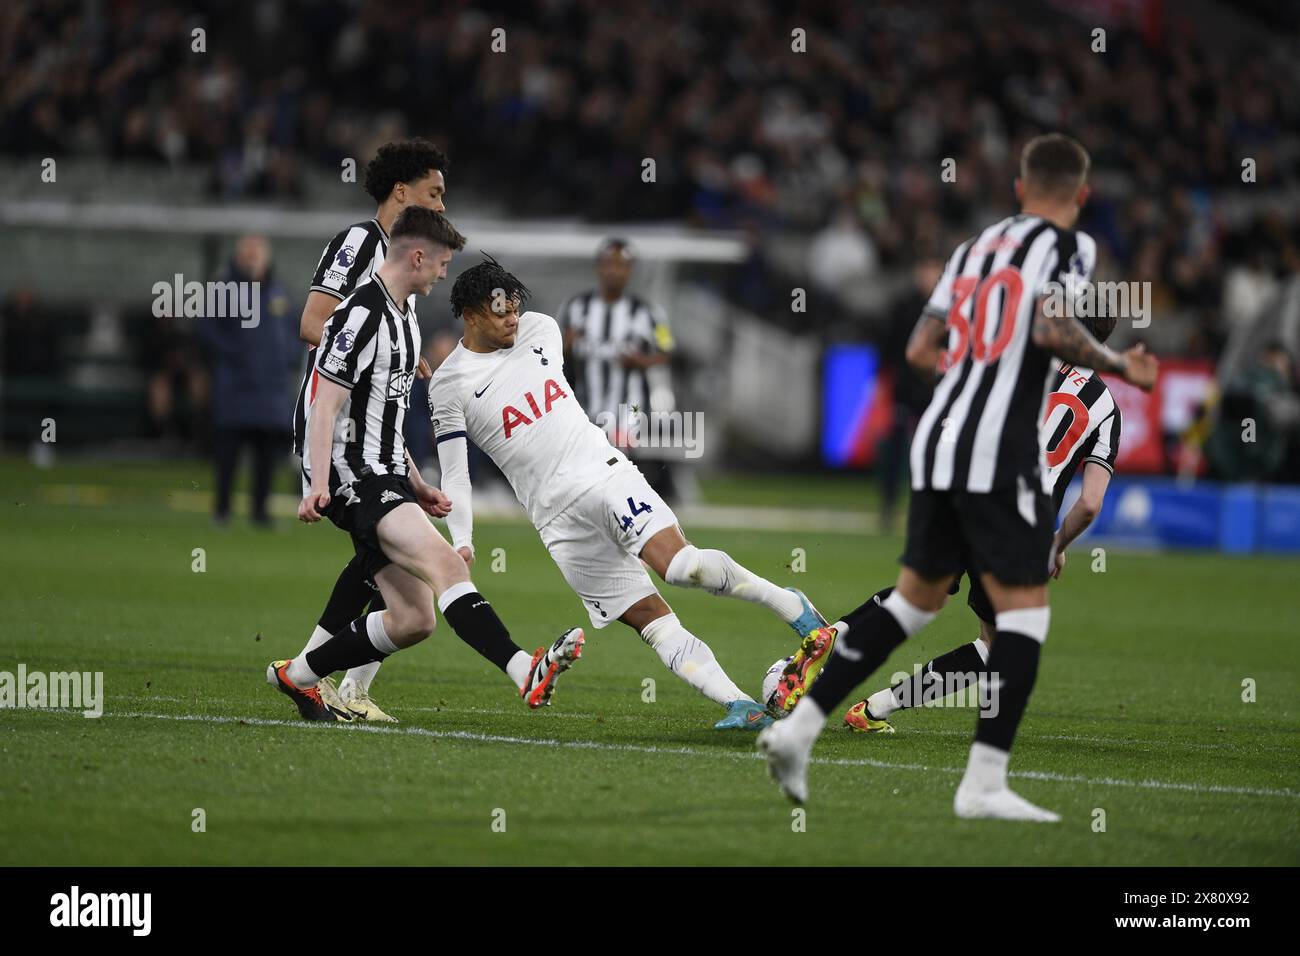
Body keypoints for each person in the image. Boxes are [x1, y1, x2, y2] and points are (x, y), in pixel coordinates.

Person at [758, 133, 1159, 819]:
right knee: (1022, 622)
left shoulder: (973, 251)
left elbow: (920, 347)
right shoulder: (1074, 252)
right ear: (1082, 196)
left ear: (1016, 188)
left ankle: (798, 731)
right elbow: (1059, 331)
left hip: (945, 443)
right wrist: (1122, 367)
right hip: (1003, 466)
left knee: (916, 602)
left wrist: (974, 381)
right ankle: (982, 784)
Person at [429, 256, 828, 730]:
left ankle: (792, 606)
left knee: (682, 568)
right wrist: (462, 539)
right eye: (500, 312)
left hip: (604, 474)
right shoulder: (448, 386)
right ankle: (741, 705)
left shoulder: (541, 330)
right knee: (653, 623)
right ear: (470, 315)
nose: (513, 317)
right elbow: (455, 476)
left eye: (514, 306)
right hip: (555, 521)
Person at [267, 208, 584, 721]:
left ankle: (299, 676)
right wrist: (317, 484)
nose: (443, 273)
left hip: (389, 475)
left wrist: (417, 483)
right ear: (417, 256)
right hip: (358, 479)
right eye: (440, 263)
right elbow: (325, 402)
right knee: (446, 565)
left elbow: (386, 413)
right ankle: (524, 668)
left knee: (415, 618)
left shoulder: (404, 317)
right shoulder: (359, 313)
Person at [829, 313, 1124, 732]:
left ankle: (830, 637)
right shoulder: (1106, 407)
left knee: (919, 594)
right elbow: (1090, 504)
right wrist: (1057, 545)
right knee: (995, 644)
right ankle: (877, 708)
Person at [289, 138, 450, 721]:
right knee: (396, 551)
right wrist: (378, 355)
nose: (441, 206)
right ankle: (323, 678)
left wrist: (404, 358)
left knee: (383, 553)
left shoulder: (411, 256)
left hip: (379, 438)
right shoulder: (361, 243)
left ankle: (320, 677)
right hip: (343, 437)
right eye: (434, 194)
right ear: (401, 192)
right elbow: (313, 322)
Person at [559, 238, 679, 502]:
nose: (614, 270)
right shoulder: (576, 308)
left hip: (630, 407)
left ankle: (617, 511)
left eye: (621, 265)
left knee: (615, 460)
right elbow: (555, 353)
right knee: (587, 465)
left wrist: (642, 361)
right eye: (609, 264)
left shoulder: (647, 312)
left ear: (630, 270)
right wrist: (566, 346)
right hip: (584, 402)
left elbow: (667, 350)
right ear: (599, 268)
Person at [197, 235, 296, 527]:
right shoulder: (223, 289)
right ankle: (222, 510)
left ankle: (260, 512)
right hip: (236, 386)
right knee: (229, 451)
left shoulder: (279, 292)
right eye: (248, 254)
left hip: (271, 388)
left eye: (258, 254)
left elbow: (293, 330)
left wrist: (285, 355)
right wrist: (238, 353)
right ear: (238, 257)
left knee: (266, 453)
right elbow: (207, 330)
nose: (253, 259)